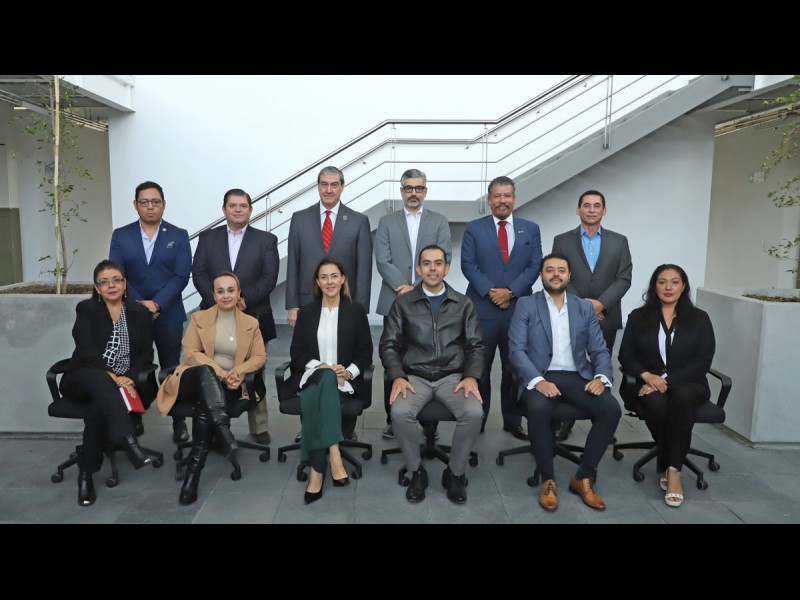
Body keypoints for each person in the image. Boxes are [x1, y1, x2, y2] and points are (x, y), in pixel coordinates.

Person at [509, 253, 621, 512]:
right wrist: (537, 381)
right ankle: (548, 480)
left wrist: (601, 377)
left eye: (561, 270)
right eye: (550, 270)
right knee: (538, 408)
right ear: (541, 275)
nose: (555, 274)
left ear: (569, 276)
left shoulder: (583, 307)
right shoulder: (526, 304)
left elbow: (599, 349)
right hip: (541, 375)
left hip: (577, 376)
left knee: (611, 409)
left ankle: (583, 476)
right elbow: (516, 350)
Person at [379, 245, 484, 505]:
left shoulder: (464, 303)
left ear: (446, 268)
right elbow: (389, 345)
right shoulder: (402, 303)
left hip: (452, 376)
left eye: (438, 263)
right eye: (427, 263)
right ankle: (416, 471)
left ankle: (455, 473)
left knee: (474, 413)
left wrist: (471, 375)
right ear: (419, 269)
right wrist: (398, 375)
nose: (433, 268)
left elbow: (475, 345)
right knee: (400, 413)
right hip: (415, 376)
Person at [156, 271, 267, 506]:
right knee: (205, 372)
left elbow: (259, 357)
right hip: (192, 379)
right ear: (213, 295)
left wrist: (239, 372)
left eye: (231, 290)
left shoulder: (251, 323)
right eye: (220, 291)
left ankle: (193, 475)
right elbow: (191, 354)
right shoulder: (199, 318)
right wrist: (221, 373)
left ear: (239, 293)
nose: (226, 295)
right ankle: (223, 432)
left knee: (204, 406)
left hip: (226, 386)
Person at [54, 259, 156, 507]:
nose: (111, 285)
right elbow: (86, 350)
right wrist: (111, 376)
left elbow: (146, 354)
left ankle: (86, 474)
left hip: (123, 384)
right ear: (97, 288)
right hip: (83, 377)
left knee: (98, 409)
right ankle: (128, 439)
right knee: (101, 382)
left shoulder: (140, 313)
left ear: (125, 283)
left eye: (116, 280)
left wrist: (129, 377)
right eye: (104, 282)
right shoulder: (86, 309)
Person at [285, 165, 372, 443]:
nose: (329, 189)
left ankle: (346, 426)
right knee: (310, 358)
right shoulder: (300, 219)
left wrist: (360, 309)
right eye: (324, 184)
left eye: (335, 184)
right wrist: (292, 305)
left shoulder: (358, 221)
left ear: (342, 187)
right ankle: (309, 424)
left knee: (344, 352)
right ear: (318, 186)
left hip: (346, 303)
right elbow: (293, 263)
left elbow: (364, 268)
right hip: (307, 302)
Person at [618, 264, 715, 508]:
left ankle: (672, 471)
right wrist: (647, 377)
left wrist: (665, 382)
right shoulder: (638, 317)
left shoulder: (699, 319)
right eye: (662, 282)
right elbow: (626, 355)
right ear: (655, 286)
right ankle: (671, 461)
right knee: (658, 404)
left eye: (674, 282)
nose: (668, 287)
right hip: (647, 383)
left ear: (683, 286)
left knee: (681, 397)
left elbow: (702, 362)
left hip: (689, 383)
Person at [191, 188, 279, 446]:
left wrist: (242, 299)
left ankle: (259, 427)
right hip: (213, 316)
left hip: (254, 314)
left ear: (250, 210)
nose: (238, 210)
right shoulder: (208, 238)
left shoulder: (266, 240)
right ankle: (216, 425)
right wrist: (219, 301)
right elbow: (199, 273)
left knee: (255, 370)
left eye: (243, 206)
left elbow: (269, 278)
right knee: (213, 368)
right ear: (224, 209)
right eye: (233, 205)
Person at [109, 180, 192, 444]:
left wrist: (156, 304)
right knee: (132, 368)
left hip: (168, 314)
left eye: (155, 201)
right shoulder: (121, 235)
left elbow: (181, 275)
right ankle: (135, 416)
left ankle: (179, 421)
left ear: (163, 205)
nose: (150, 207)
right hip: (132, 315)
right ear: (135, 205)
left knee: (171, 369)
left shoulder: (178, 235)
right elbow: (117, 274)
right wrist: (140, 305)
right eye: (144, 202)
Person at [461, 175, 542, 441]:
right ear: (489, 200)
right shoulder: (474, 228)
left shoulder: (530, 229)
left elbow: (535, 265)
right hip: (482, 309)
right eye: (497, 196)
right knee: (479, 367)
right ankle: (478, 418)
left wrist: (511, 292)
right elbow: (468, 264)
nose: (502, 200)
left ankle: (513, 420)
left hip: (518, 310)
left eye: (507, 196)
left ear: (514, 199)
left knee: (515, 367)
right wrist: (491, 291)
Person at [375, 168, 452, 439]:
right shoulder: (386, 221)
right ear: (401, 191)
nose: (413, 193)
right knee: (393, 358)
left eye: (418, 188)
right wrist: (404, 288)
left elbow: (444, 256)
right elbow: (382, 260)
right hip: (394, 300)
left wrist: (418, 288)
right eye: (408, 188)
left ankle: (430, 423)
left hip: (431, 300)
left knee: (430, 360)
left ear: (425, 191)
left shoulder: (440, 221)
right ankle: (392, 418)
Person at [289, 258, 373, 504]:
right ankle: (333, 451)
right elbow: (297, 354)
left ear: (343, 278)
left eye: (334, 276)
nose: (329, 281)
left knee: (320, 393)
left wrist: (348, 373)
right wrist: (321, 367)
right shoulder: (307, 312)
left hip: (343, 381)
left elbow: (365, 353)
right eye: (324, 277)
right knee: (325, 377)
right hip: (313, 375)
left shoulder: (356, 311)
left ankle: (317, 472)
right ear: (317, 282)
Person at [551, 189, 632, 441]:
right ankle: (565, 420)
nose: (592, 209)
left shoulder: (619, 241)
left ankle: (603, 421)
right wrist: (583, 306)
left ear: (604, 210)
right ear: (578, 209)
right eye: (586, 205)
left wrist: (600, 304)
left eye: (597, 205)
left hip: (606, 314)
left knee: (601, 366)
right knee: (569, 366)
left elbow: (624, 278)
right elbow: (557, 275)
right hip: (569, 313)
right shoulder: (562, 240)